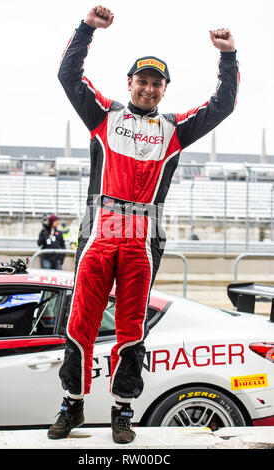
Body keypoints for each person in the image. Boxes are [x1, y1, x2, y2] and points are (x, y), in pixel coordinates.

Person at [48, 6, 239, 443]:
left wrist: (227, 57)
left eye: (157, 83)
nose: (149, 88)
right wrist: (87, 29)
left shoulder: (174, 128)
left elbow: (223, 104)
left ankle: (122, 412)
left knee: (132, 327)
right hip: (100, 229)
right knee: (82, 322)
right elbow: (68, 75)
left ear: (164, 89)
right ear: (130, 83)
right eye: (143, 80)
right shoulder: (104, 114)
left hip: (142, 237)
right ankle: (71, 406)